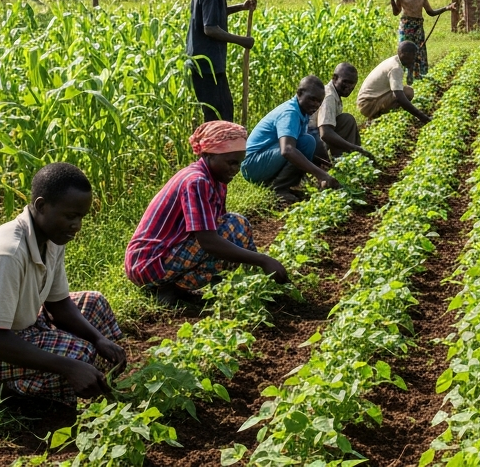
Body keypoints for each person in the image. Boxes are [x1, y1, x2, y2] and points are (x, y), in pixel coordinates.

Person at [0, 163, 127, 407]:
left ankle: (77, 381)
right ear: (42, 206)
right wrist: (70, 367)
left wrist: (98, 339)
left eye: (81, 217)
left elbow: (58, 305)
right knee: (78, 356)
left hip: (15, 326)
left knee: (95, 305)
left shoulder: (53, 238)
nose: (77, 225)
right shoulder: (8, 252)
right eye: (70, 216)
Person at [125, 121, 290, 309]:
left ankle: (181, 288)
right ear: (208, 155)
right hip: (148, 262)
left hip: (166, 254)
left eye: (239, 163)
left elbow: (216, 227)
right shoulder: (196, 181)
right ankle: (165, 288)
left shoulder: (217, 180)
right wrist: (263, 260)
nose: (236, 169)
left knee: (233, 229)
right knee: (234, 226)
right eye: (231, 163)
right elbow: (208, 241)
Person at [241, 76, 343, 203]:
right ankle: (279, 189)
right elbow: (287, 150)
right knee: (305, 143)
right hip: (252, 165)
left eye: (319, 101)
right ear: (300, 93)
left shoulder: (302, 111)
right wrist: (321, 174)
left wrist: (326, 166)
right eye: (312, 99)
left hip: (265, 159)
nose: (316, 105)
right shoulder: (290, 113)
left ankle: (283, 184)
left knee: (307, 141)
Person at [187, 0, 257, 123]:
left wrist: (241, 6)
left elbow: (216, 13)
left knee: (216, 113)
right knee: (220, 115)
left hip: (203, 62)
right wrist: (242, 41)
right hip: (207, 65)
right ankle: (216, 150)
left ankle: (213, 149)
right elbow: (210, 28)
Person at [390, 0, 455, 82]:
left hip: (418, 27)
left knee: (418, 50)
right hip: (406, 27)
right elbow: (395, 12)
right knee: (405, 50)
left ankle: (416, 73)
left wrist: (447, 8)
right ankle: (407, 73)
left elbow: (431, 12)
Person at [357, 42, 431, 124]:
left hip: (369, 101)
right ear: (405, 54)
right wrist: (421, 116)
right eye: (413, 55)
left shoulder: (395, 60)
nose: (414, 59)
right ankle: (375, 117)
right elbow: (399, 96)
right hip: (367, 104)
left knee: (407, 90)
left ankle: (378, 116)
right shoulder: (395, 68)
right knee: (405, 94)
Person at [316, 62, 377, 162]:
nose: (349, 86)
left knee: (346, 120)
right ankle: (343, 161)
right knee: (347, 120)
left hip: (315, 139)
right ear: (334, 78)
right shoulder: (329, 96)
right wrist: (354, 147)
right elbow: (325, 133)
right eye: (345, 82)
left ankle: (350, 160)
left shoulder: (334, 94)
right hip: (310, 144)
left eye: (353, 83)